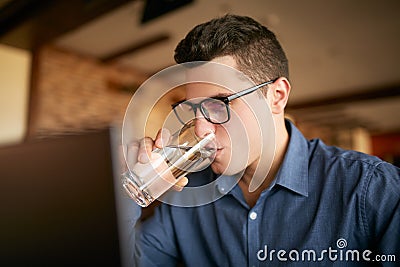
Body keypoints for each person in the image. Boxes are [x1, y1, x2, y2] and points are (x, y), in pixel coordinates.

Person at [132, 14, 399, 266]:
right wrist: (130, 189)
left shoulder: (372, 190)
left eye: (218, 105)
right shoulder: (187, 195)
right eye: (193, 110)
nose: (201, 129)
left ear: (277, 96)